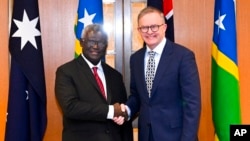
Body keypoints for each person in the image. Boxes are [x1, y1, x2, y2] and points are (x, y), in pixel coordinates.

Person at [115, 6, 201, 141]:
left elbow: (192, 104)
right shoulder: (136, 59)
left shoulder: (183, 56)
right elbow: (137, 96)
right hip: (146, 135)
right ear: (139, 30)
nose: (149, 32)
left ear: (164, 27)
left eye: (154, 26)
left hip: (176, 136)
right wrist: (127, 110)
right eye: (144, 28)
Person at [55, 24, 133, 141]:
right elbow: (70, 107)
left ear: (106, 46)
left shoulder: (115, 76)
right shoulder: (66, 71)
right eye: (91, 41)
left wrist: (123, 115)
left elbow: (122, 114)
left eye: (101, 42)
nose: (96, 46)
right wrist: (111, 111)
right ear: (81, 42)